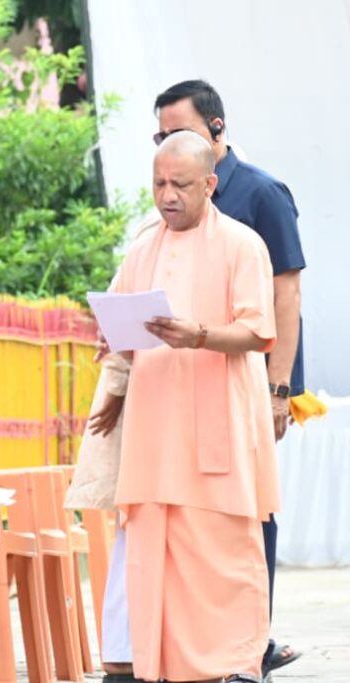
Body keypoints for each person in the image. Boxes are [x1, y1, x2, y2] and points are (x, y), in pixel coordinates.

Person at [110, 131, 278, 683]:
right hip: (156, 429)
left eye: (180, 184)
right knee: (158, 555)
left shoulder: (241, 244)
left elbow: (257, 331)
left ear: (209, 184)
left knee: (222, 558)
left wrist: (199, 336)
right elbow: (125, 331)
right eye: (158, 183)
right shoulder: (141, 250)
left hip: (217, 422)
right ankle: (167, 669)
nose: (167, 196)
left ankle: (233, 667)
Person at [154, 79, 305, 678]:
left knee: (251, 510)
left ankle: (253, 644)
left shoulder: (261, 193)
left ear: (217, 130)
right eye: (162, 135)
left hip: (248, 379)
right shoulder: (172, 197)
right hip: (186, 389)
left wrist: (279, 386)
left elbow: (286, 293)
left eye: (181, 132)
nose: (169, 145)